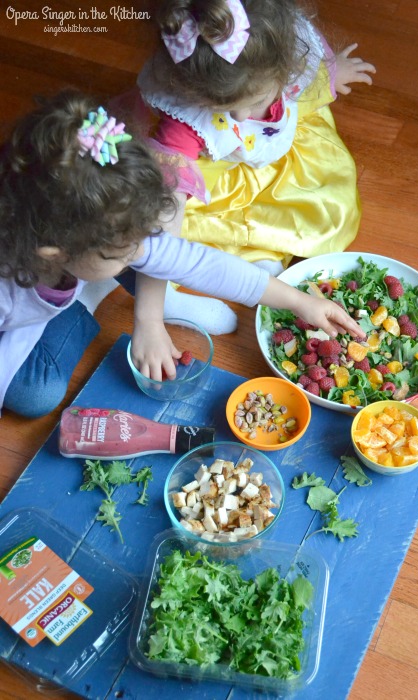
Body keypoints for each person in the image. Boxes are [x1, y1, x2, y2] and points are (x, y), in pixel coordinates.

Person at [0, 89, 364, 419]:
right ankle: (88, 296)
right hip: (17, 327)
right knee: (36, 395)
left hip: (64, 268)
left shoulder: (89, 230)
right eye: (122, 253)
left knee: (146, 254)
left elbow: (201, 265)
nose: (141, 252)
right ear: (53, 252)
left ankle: (146, 301)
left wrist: (299, 302)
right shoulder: (9, 296)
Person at [123, 0, 375, 334]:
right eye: (222, 109)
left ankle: (258, 257)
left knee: (329, 203)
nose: (241, 119)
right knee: (156, 222)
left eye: (254, 102)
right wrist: (149, 321)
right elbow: (162, 228)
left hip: (278, 154)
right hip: (213, 175)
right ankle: (247, 263)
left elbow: (308, 70)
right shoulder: (183, 120)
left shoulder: (288, 46)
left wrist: (330, 72)